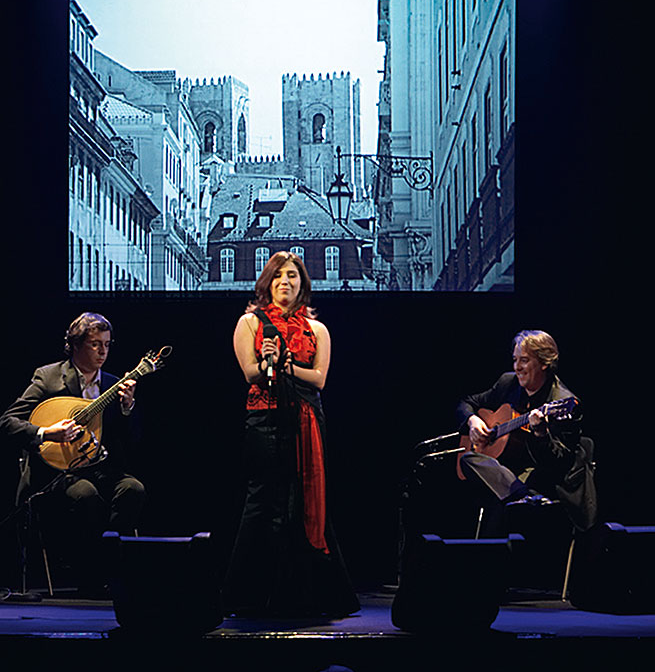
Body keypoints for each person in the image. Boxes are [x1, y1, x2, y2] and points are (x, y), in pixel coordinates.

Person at [222, 251, 359, 618]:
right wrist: (271, 363)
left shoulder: (318, 330)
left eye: (293, 276)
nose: (286, 281)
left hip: (307, 419)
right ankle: (247, 594)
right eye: (279, 275)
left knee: (305, 503)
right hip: (265, 419)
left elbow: (319, 379)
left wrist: (285, 364)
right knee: (264, 502)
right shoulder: (249, 323)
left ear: (303, 285)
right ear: (268, 282)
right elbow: (252, 374)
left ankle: (305, 594)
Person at [401, 330, 596, 563]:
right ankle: (427, 564)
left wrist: (541, 433)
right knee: (466, 460)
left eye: (524, 360)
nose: (518, 367)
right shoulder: (507, 383)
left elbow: (558, 462)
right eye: (515, 359)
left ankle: (482, 572)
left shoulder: (561, 402)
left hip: (541, 476)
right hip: (506, 470)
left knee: (495, 500)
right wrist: (473, 421)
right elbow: (467, 403)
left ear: (545, 363)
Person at [0, 311, 145, 595]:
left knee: (133, 489)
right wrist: (46, 433)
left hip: (100, 467)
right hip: (56, 472)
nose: (103, 351)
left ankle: (111, 569)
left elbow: (134, 441)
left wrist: (127, 408)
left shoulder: (113, 384)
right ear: (75, 345)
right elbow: (6, 422)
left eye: (107, 344)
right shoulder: (49, 377)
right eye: (95, 344)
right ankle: (90, 578)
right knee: (85, 495)